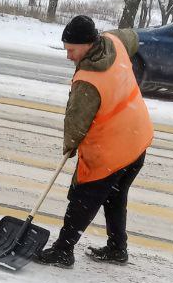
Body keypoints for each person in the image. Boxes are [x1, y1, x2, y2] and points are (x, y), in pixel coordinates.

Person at [35, 14, 154, 269]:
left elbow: (76, 123)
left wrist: (70, 146)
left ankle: (63, 250)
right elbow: (133, 37)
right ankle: (117, 248)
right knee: (114, 195)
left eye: (72, 50)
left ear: (88, 44)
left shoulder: (88, 80)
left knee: (82, 198)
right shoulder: (114, 41)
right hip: (137, 138)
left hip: (111, 149)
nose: (68, 56)